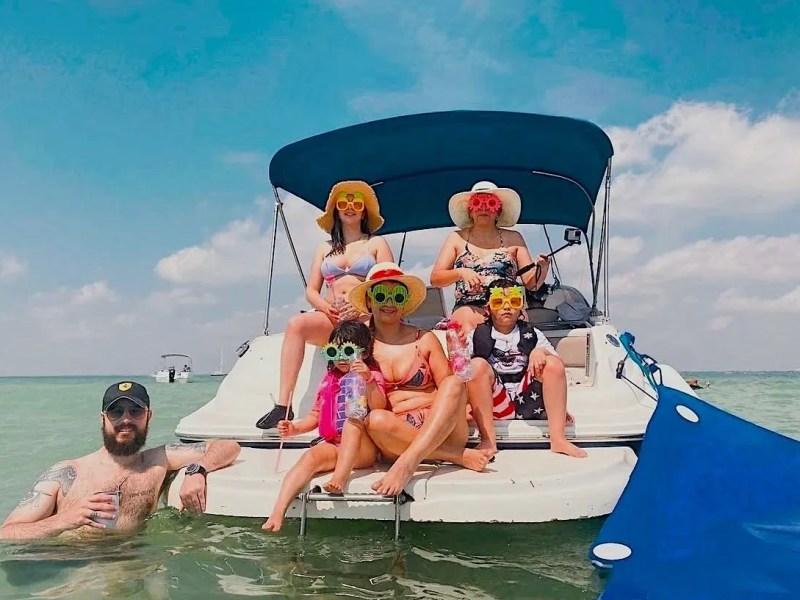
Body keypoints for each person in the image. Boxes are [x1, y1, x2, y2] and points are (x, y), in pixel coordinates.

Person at [0, 381, 241, 541]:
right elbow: (7, 533)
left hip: (131, 562)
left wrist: (197, 470)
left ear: (149, 417)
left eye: (135, 412)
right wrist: (64, 520)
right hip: (71, 564)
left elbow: (228, 446)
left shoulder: (158, 461)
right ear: (102, 419)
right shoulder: (67, 472)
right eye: (116, 412)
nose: (126, 419)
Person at [256, 180, 394, 430]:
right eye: (343, 203)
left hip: (364, 318)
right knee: (296, 324)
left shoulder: (376, 244)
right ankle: (283, 405)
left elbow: (390, 284)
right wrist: (324, 306)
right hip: (331, 317)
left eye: (356, 203)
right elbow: (311, 290)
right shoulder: (324, 248)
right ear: (336, 211)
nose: (350, 207)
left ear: (364, 211)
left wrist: (364, 308)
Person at [348, 263, 494, 496]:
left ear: (405, 303)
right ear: (368, 300)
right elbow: (371, 406)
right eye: (380, 295)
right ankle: (455, 457)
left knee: (454, 382)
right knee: (375, 419)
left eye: (398, 296)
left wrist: (460, 357)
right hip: (396, 438)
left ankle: (408, 464)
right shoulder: (361, 347)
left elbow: (451, 390)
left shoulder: (424, 339)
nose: (389, 302)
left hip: (443, 431)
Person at [262, 321, 387, 532]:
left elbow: (379, 405)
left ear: (363, 353)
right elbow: (315, 415)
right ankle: (277, 511)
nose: (340, 357)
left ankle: (339, 477)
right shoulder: (329, 379)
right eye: (333, 351)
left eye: (347, 351)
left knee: (352, 421)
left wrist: (367, 379)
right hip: (335, 446)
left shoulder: (370, 375)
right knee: (310, 456)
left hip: (363, 450)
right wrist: (295, 429)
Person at [465, 279, 587, 458]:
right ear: (488, 309)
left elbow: (557, 368)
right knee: (476, 366)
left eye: (514, 302)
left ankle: (558, 439)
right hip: (497, 405)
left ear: (521, 307)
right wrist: (456, 350)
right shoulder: (475, 336)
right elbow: (460, 373)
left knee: (552, 363)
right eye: (499, 302)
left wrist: (541, 351)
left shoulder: (532, 334)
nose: (507, 308)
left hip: (528, 402)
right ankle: (488, 441)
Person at [430, 181, 551, 333]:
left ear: (498, 211)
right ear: (470, 211)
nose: (483, 209)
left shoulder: (514, 239)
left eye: (490, 204)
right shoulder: (456, 238)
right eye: (477, 204)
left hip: (506, 306)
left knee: (520, 331)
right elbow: (436, 279)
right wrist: (460, 272)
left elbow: (531, 284)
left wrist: (543, 268)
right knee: (469, 328)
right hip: (469, 307)